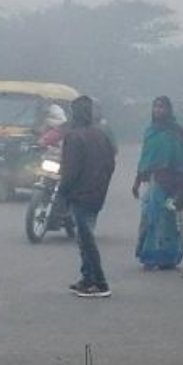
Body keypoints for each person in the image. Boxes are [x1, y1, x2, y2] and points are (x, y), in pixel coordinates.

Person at [60, 95, 117, 298]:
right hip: (97, 193)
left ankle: (100, 282)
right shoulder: (101, 135)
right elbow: (111, 163)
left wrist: (63, 191)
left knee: (86, 240)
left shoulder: (74, 137)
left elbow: (70, 171)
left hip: (80, 195)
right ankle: (87, 277)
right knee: (85, 236)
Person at [133, 96, 183, 270]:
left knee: (169, 219)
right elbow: (145, 157)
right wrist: (137, 181)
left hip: (172, 182)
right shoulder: (150, 131)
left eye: (162, 107)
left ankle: (169, 256)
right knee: (150, 217)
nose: (158, 110)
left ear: (169, 110)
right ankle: (149, 255)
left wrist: (182, 186)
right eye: (155, 107)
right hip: (154, 180)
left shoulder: (176, 132)